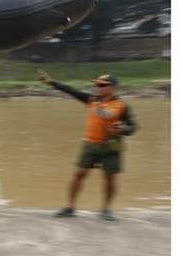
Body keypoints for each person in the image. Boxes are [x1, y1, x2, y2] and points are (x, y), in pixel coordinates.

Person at [38, 71, 137, 221]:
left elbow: (133, 127)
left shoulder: (122, 106)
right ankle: (70, 207)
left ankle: (106, 210)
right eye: (97, 85)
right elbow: (71, 90)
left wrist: (123, 129)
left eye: (103, 85)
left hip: (111, 146)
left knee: (109, 179)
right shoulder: (91, 100)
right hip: (90, 144)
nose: (99, 87)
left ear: (113, 87)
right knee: (78, 175)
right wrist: (51, 82)